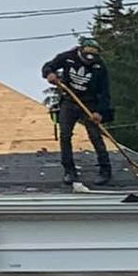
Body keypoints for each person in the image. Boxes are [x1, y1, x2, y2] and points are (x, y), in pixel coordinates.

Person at [42, 39, 114, 186]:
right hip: (69, 101)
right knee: (65, 135)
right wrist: (50, 74)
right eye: (86, 56)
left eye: (92, 58)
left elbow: (105, 93)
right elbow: (48, 66)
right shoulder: (68, 57)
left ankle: (105, 170)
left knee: (95, 136)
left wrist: (99, 112)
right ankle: (69, 170)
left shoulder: (100, 67)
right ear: (80, 51)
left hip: (90, 103)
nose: (89, 60)